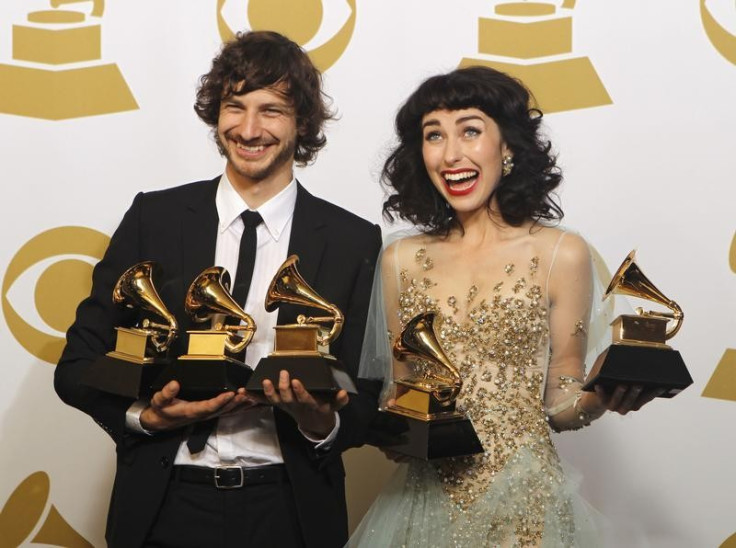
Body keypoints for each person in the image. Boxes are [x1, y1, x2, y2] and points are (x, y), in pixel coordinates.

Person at [54, 31, 381, 548]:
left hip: (291, 512)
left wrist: (322, 421)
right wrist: (145, 416)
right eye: (235, 106)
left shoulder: (352, 240)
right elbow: (77, 366)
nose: (249, 129)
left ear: (302, 123)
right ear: (216, 113)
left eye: (271, 109)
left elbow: (370, 396)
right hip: (165, 503)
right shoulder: (153, 218)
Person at [349, 66, 661, 546]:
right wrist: (396, 428)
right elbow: (408, 394)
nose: (451, 153)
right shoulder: (400, 259)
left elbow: (560, 404)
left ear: (508, 147)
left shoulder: (560, 252)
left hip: (524, 507)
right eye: (435, 135)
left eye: (471, 130)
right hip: (425, 506)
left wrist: (603, 398)